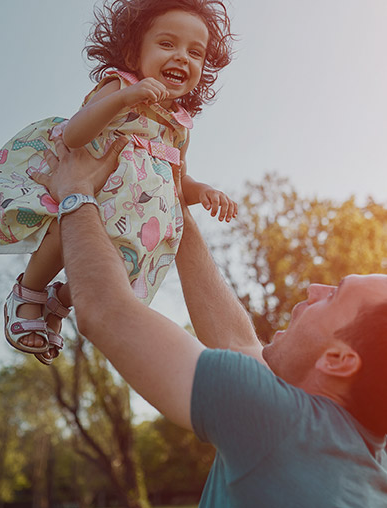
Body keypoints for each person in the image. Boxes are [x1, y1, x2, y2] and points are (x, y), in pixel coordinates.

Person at [31, 138, 387, 507]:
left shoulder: (279, 423)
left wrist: (74, 192)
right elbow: (236, 343)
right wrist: (176, 208)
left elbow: (106, 311)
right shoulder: (361, 450)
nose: (315, 288)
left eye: (334, 295)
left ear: (338, 360)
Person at [0, 0, 237, 364]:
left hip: (132, 217)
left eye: (195, 52)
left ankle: (60, 302)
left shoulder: (179, 124)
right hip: (90, 190)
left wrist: (203, 192)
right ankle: (29, 292)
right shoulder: (119, 86)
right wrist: (125, 97)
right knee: (66, 235)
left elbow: (177, 179)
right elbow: (75, 135)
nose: (182, 57)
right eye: (167, 43)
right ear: (135, 54)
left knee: (110, 275)